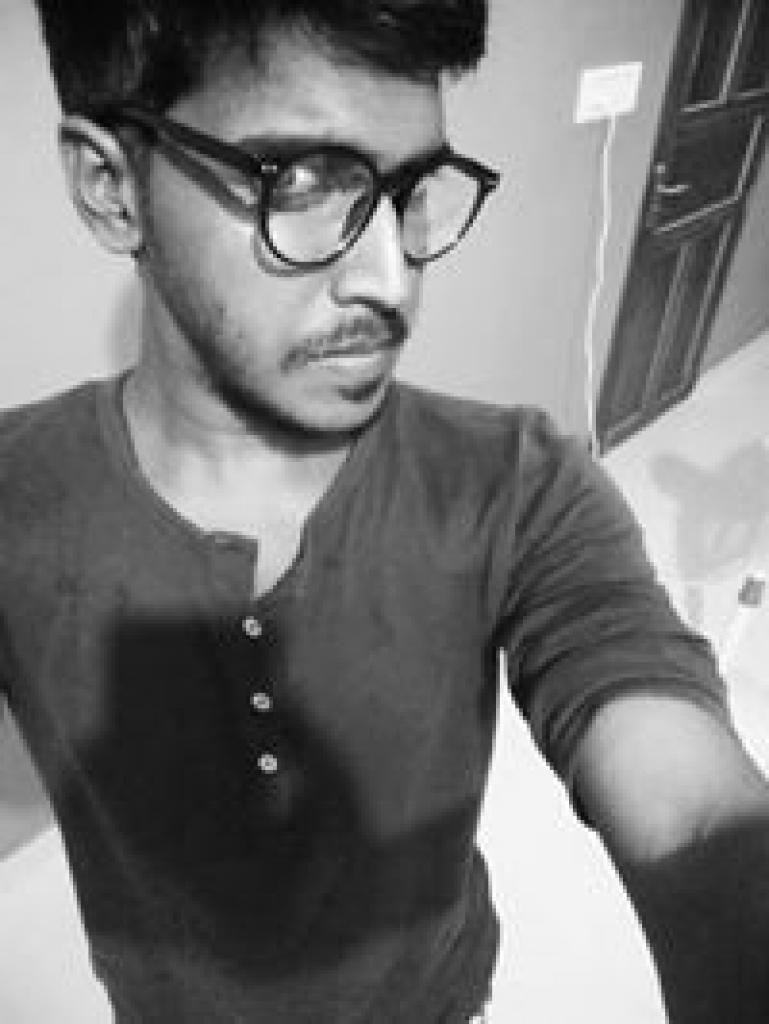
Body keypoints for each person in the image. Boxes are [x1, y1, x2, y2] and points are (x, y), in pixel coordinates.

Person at [3, 0, 769, 1020]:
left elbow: (690, 807)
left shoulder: (518, 481)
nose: (392, 279)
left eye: (410, 190)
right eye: (301, 183)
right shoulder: (15, 492)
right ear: (111, 187)